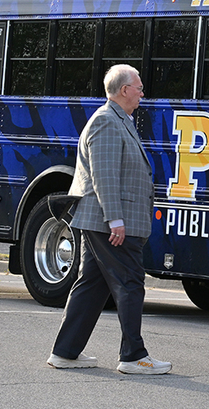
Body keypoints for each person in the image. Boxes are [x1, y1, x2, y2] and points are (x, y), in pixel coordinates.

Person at [47, 64, 170, 375]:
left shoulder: (120, 121)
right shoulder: (105, 122)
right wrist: (115, 219)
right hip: (110, 222)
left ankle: (65, 352)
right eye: (139, 87)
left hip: (103, 222)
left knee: (91, 286)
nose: (143, 92)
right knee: (130, 282)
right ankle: (133, 356)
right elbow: (104, 176)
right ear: (124, 90)